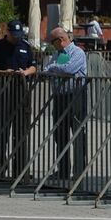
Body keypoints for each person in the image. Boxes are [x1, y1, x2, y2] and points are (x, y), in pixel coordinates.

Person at [0, 23, 39, 179]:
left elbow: (34, 67)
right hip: (3, 93)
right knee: (2, 131)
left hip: (21, 93)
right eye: (14, 34)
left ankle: (20, 168)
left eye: (18, 34)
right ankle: (0, 167)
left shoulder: (25, 46)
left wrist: (25, 73)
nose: (16, 37)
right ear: (7, 32)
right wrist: (3, 72)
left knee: (21, 131)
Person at [43, 26, 89, 181]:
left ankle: (79, 172)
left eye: (52, 41)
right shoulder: (57, 54)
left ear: (61, 40)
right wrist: (55, 69)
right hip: (60, 97)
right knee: (60, 135)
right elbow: (46, 69)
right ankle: (62, 171)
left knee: (77, 134)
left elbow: (69, 69)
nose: (52, 45)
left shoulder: (77, 52)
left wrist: (54, 68)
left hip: (75, 96)